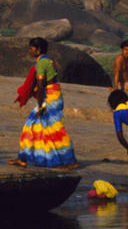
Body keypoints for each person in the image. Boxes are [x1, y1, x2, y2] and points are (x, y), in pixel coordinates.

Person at [9, 37, 78, 169]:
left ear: (38, 49)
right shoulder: (48, 60)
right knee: (32, 127)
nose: (30, 51)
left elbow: (41, 85)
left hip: (50, 98)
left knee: (55, 130)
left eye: (31, 48)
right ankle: (23, 158)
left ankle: (70, 161)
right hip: (53, 94)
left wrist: (40, 105)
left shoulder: (41, 63)